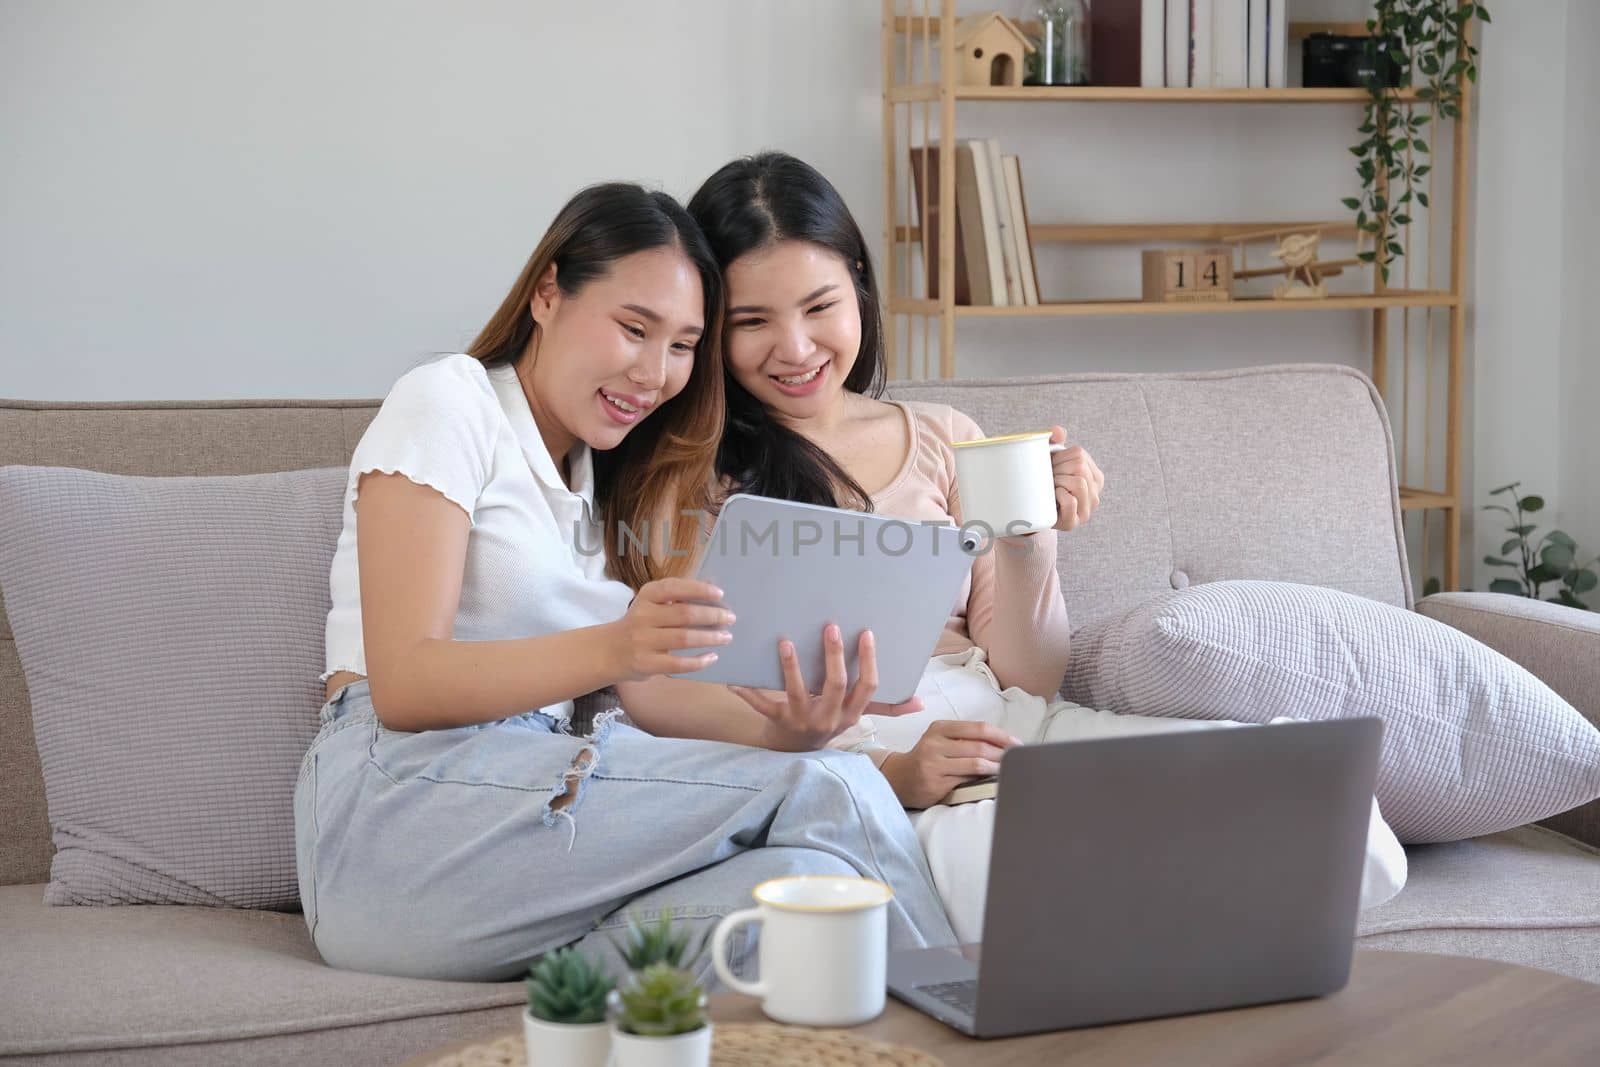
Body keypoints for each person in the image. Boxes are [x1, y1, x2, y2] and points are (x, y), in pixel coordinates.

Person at [619, 153, 1405, 944]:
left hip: (1014, 726)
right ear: (712, 328)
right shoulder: (687, 477)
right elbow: (660, 693)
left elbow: (1029, 673)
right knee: (1039, 865)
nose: (794, 347)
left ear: (860, 284)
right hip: (863, 762)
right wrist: (887, 774)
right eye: (751, 322)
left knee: (1331, 809)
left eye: (819, 305)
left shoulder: (946, 438)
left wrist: (1033, 533)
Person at [293, 181, 957, 982]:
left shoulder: (601, 479)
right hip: (396, 812)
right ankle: (971, 1030)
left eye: (683, 345)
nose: (656, 372)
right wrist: (619, 644)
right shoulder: (448, 400)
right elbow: (403, 682)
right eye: (634, 328)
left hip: (524, 826)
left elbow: (652, 694)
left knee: (819, 898)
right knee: (836, 791)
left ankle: (580, 1018)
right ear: (547, 294)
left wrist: (793, 728)